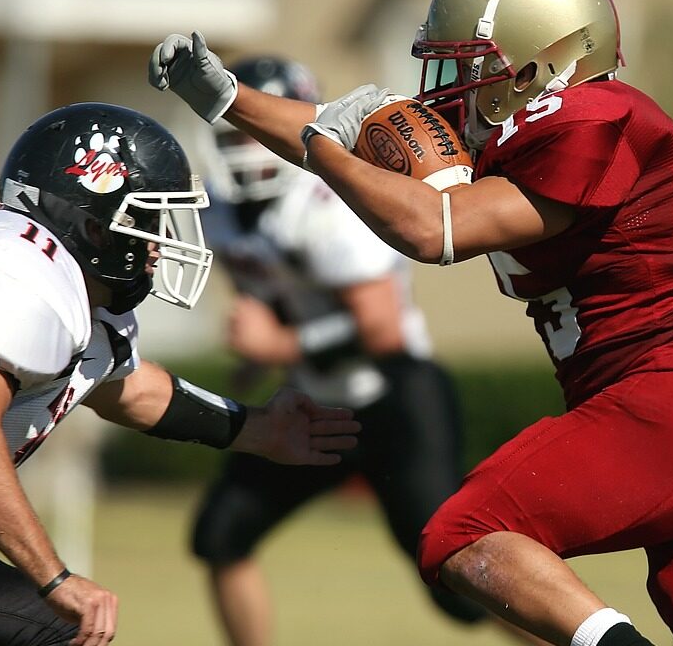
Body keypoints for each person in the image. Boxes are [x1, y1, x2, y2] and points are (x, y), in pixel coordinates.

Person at [151, 0, 673, 646]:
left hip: (667, 405)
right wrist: (227, 99)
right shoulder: (520, 132)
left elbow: (433, 228)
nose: (448, 87)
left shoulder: (595, 117)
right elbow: (332, 125)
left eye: (470, 65)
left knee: (466, 533)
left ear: (539, 59)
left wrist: (326, 152)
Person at [0, 102, 360, 646]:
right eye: (148, 220)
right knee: (55, 609)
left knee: (56, 633)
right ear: (94, 223)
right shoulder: (22, 263)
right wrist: (55, 576)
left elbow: (130, 390)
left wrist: (257, 428)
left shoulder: (75, 294)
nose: (159, 245)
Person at [186, 56, 492, 645]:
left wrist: (277, 342)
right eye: (235, 135)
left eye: (256, 131)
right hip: (316, 403)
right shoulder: (225, 216)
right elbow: (278, 299)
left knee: (461, 578)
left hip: (393, 397)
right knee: (222, 534)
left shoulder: (329, 202)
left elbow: (382, 333)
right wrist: (262, 351)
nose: (248, 150)